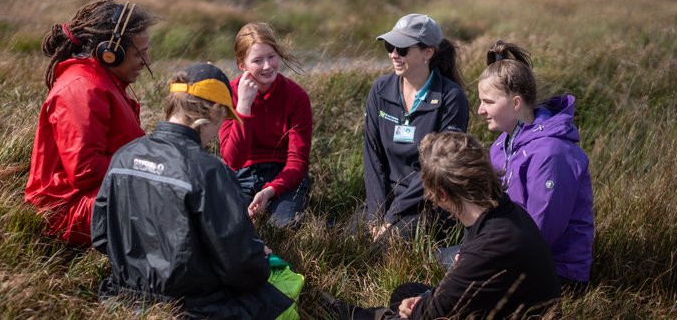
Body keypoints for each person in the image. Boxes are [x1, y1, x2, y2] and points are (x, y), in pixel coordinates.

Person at [91, 63, 293, 319]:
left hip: (122, 299)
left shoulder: (124, 156)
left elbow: (100, 237)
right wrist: (260, 259)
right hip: (195, 308)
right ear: (216, 111)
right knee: (281, 300)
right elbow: (240, 267)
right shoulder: (209, 171)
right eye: (224, 117)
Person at [327, 132, 561, 319]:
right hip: (503, 302)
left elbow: (430, 312)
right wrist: (425, 299)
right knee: (406, 293)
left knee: (404, 310)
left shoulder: (491, 245)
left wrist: (421, 306)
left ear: (441, 194)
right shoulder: (502, 209)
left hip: (517, 312)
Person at [24, 0, 156, 246]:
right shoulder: (82, 89)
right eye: (141, 52)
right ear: (110, 52)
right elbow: (86, 171)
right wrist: (148, 167)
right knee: (171, 198)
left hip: (93, 198)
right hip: (66, 211)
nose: (147, 61)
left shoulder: (101, 81)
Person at [477, 40, 594, 287]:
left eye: (488, 102)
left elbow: (542, 231)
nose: (479, 110)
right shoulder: (500, 145)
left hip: (555, 271)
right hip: (513, 254)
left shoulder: (552, 153)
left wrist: (489, 261)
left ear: (516, 103)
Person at [363, 14, 469, 240]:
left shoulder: (451, 97)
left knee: (386, 245)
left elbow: (437, 167)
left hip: (429, 203)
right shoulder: (380, 89)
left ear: (427, 52)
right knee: (351, 240)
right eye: (390, 46)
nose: (393, 54)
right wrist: (376, 215)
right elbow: (372, 156)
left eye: (401, 49)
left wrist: (392, 217)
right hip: (386, 201)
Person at [219, 22, 313, 228]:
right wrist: (244, 106)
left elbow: (297, 162)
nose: (267, 66)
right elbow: (231, 160)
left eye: (271, 57)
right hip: (241, 174)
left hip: (283, 175)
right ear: (241, 64)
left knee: (283, 225)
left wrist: (271, 190)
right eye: (257, 60)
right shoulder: (230, 93)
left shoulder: (296, 96)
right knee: (233, 225)